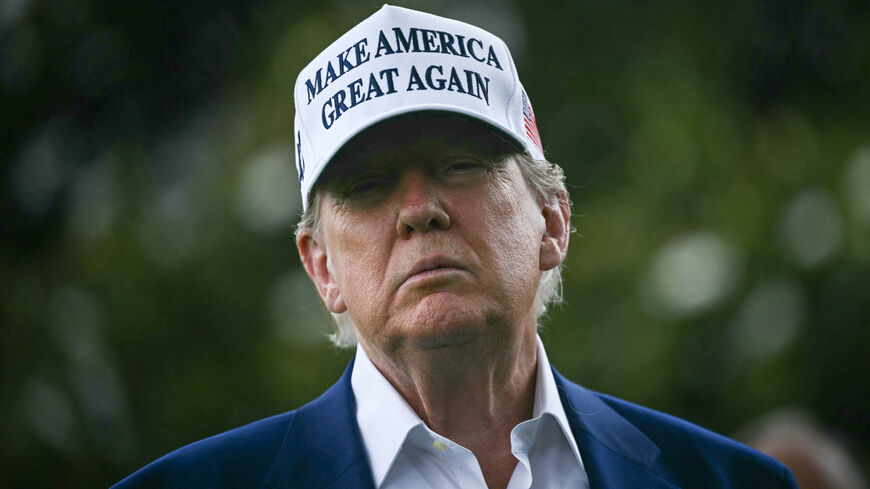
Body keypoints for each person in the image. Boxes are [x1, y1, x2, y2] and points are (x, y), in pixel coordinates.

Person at [112, 5, 798, 488]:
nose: (419, 210)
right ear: (322, 267)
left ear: (553, 220)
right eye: (369, 184)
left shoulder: (733, 480)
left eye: (458, 165)